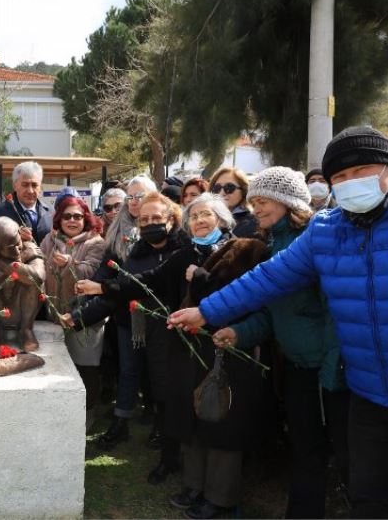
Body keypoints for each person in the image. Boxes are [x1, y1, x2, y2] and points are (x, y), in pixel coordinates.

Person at [169, 126, 388, 519]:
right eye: (340, 177)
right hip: (373, 391)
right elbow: (268, 280)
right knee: (374, 500)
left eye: (361, 171)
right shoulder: (327, 231)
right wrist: (207, 311)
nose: (350, 183)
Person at [77, 192, 269, 519]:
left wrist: (202, 277)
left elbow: (241, 297)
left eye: (206, 215)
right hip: (190, 348)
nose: (200, 221)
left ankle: (219, 496)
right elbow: (149, 281)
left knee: (220, 418)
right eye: (194, 217)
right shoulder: (185, 254)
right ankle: (194, 484)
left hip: (227, 346)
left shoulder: (247, 250)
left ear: (222, 218)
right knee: (191, 416)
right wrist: (103, 288)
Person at [212, 166, 349, 518]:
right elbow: (274, 314)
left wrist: (331, 372)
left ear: (289, 201)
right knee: (306, 450)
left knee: (346, 456)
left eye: (263, 201)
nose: (256, 208)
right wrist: (240, 333)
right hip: (299, 367)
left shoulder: (312, 245)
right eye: (253, 201)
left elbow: (335, 314)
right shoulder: (274, 245)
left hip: (327, 371)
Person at [69, 191, 187, 484]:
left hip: (181, 335)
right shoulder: (136, 253)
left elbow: (144, 283)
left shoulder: (184, 250)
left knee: (173, 394)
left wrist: (103, 288)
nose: (149, 223)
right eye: (144, 218)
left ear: (171, 220)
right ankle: (168, 457)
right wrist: (78, 319)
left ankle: (179, 454)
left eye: (156, 218)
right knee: (157, 391)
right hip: (145, 331)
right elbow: (120, 295)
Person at [81, 174, 158, 448]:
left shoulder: (164, 226)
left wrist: (103, 288)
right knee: (128, 369)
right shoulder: (117, 229)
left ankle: (158, 420)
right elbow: (107, 266)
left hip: (158, 315)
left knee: (157, 370)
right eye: (131, 197)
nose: (134, 202)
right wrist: (92, 286)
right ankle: (121, 422)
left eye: (140, 196)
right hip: (127, 315)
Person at [40, 197, 105, 428]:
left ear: (85, 218)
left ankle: (86, 414)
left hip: (84, 317)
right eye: (67, 216)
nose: (72, 220)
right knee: (57, 366)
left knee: (85, 366)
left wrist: (70, 262)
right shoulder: (49, 239)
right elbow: (40, 267)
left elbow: (92, 271)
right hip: (54, 316)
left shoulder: (95, 242)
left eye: (77, 216)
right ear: (59, 218)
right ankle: (60, 411)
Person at [0, 160, 52, 244]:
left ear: (40, 187)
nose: (30, 191)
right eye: (25, 185)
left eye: (34, 185)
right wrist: (16, 238)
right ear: (15, 185)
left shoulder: (50, 213)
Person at [209, 167, 258, 238]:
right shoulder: (205, 218)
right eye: (217, 188)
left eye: (229, 187)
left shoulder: (252, 221)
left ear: (244, 191)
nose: (222, 193)